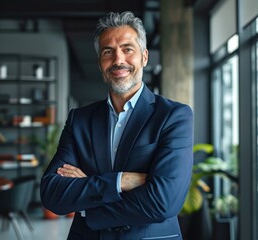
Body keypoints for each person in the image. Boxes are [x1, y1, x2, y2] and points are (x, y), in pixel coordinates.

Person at [40, 11, 193, 240]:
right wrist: (122, 181)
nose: (118, 60)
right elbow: (52, 193)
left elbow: (164, 202)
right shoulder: (79, 120)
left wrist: (86, 206)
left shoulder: (174, 116)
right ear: (100, 62)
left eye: (127, 49)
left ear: (144, 57)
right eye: (108, 51)